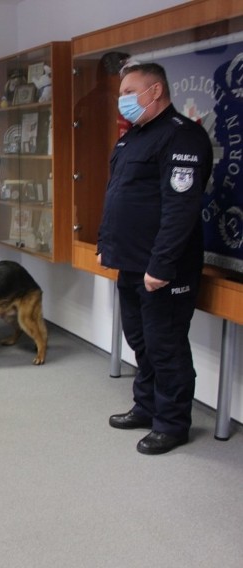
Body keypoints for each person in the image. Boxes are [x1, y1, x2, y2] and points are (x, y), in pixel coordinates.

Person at [97, 62, 213, 455]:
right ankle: (145, 407)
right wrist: (105, 243)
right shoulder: (133, 138)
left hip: (163, 267)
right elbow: (118, 196)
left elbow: (180, 209)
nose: (123, 99)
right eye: (121, 92)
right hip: (129, 262)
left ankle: (172, 423)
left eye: (130, 91)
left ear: (156, 90)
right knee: (141, 342)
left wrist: (161, 266)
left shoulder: (183, 138)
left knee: (166, 346)